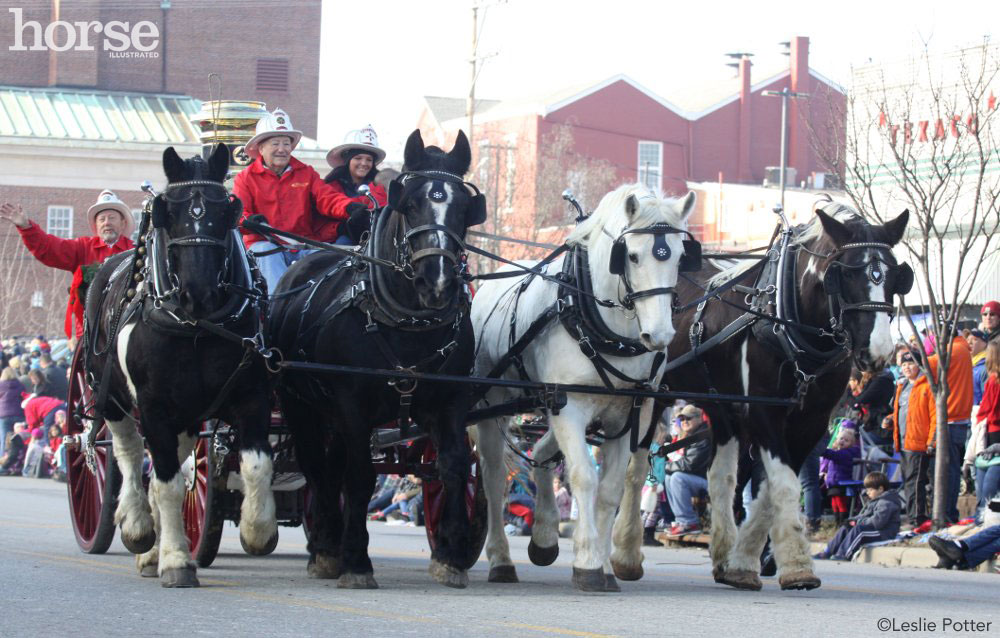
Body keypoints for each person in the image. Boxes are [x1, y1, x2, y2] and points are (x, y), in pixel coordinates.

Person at [233, 108, 345, 292]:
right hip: (264, 245)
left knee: (332, 260)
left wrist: (351, 208)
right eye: (275, 143)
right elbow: (239, 214)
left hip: (302, 244)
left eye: (286, 143)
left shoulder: (307, 173)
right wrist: (248, 221)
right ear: (261, 148)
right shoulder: (245, 178)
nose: (282, 149)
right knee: (267, 253)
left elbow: (329, 199)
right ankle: (276, 310)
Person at [0, 191, 135, 338]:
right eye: (101, 219)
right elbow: (49, 248)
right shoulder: (83, 247)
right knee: (79, 360)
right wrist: (27, 227)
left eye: (112, 218)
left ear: (123, 224)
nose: (106, 222)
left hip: (126, 328)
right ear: (96, 226)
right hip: (90, 332)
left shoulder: (135, 251)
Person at [881, 348, 935, 531]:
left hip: (919, 443)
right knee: (908, 480)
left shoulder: (927, 385)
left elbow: (935, 416)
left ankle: (917, 519)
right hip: (903, 442)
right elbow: (901, 412)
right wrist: (890, 420)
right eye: (903, 364)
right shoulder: (902, 387)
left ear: (919, 365)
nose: (906, 367)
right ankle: (915, 516)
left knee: (915, 481)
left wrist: (931, 441)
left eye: (910, 363)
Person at [927, 329, 974, 523]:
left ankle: (945, 514)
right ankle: (947, 513)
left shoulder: (952, 350)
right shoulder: (962, 348)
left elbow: (922, 364)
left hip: (949, 417)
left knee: (947, 471)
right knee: (951, 469)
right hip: (957, 418)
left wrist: (915, 352)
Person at [317, 125, 389, 245]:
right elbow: (320, 222)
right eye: (358, 158)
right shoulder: (329, 187)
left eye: (369, 160)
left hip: (375, 240)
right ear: (348, 160)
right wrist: (342, 227)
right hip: (337, 240)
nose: (364, 163)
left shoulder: (380, 187)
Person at [813, 471, 902, 561]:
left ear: (880, 489)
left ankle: (843, 554)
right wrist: (850, 520)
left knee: (859, 530)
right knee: (846, 527)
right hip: (876, 529)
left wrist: (857, 522)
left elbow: (877, 522)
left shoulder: (886, 502)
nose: (867, 492)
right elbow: (864, 515)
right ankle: (828, 552)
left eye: (870, 489)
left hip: (885, 532)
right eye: (867, 489)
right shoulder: (875, 500)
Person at [665, 405, 711, 535]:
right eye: (682, 419)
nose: (684, 421)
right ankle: (680, 521)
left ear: (699, 418)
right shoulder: (693, 434)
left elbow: (690, 464)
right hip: (700, 478)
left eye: (688, 418)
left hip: (711, 481)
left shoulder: (703, 435)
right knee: (669, 477)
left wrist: (666, 467)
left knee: (677, 478)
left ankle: (689, 522)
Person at [972, 340, 1000, 515]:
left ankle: (983, 515)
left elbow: (988, 408)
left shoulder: (993, 381)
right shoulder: (992, 380)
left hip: (992, 431)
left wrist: (979, 418)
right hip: (993, 430)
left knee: (987, 478)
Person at [820, 428, 861, 525]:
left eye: (846, 440)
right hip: (833, 482)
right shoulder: (839, 451)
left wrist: (821, 449)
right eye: (841, 438)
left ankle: (842, 521)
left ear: (851, 444)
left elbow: (833, 455)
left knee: (840, 503)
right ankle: (837, 521)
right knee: (834, 503)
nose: (842, 441)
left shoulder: (847, 453)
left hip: (840, 482)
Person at [0, 367, 26, 459]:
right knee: (19, 437)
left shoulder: (1, 385)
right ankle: (19, 460)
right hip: (18, 413)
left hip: (4, 415)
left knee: (4, 439)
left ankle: (4, 461)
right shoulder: (20, 385)